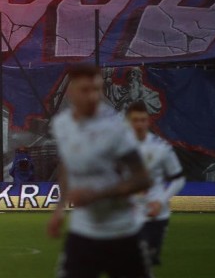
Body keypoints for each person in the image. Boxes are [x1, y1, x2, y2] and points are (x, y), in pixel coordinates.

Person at [47, 64, 153, 278]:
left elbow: (142, 179)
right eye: (85, 90)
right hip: (83, 232)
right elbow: (68, 164)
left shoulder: (116, 129)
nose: (93, 96)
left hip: (121, 232)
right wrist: (59, 209)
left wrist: (95, 195)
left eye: (97, 89)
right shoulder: (62, 124)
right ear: (71, 91)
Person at [125, 101, 186, 267]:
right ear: (128, 122)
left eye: (143, 120)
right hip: (129, 214)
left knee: (146, 262)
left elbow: (178, 178)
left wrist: (161, 201)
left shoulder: (161, 148)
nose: (139, 124)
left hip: (155, 215)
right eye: (135, 120)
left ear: (148, 121)